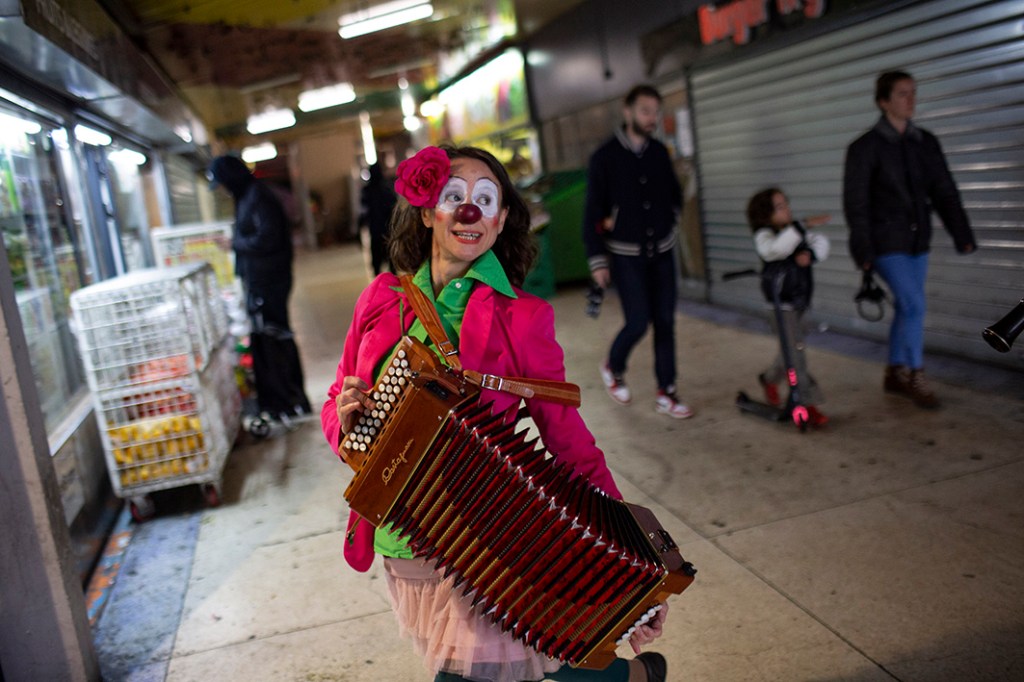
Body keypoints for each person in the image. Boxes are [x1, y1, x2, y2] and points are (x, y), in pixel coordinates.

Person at [321, 145, 669, 682]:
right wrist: (345, 419)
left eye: (486, 199)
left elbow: (569, 442)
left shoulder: (522, 318)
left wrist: (632, 553)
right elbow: (335, 403)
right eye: (453, 197)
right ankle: (626, 679)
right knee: (530, 666)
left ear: (502, 219)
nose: (470, 211)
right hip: (400, 541)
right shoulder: (380, 298)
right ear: (425, 209)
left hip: (487, 546)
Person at [843, 70, 976, 409]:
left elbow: (944, 190)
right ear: (883, 101)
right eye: (903, 94)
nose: (911, 100)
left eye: (913, 93)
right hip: (885, 241)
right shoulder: (865, 148)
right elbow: (856, 204)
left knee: (907, 307)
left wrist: (962, 233)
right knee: (915, 304)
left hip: (918, 240)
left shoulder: (925, 142)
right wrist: (863, 251)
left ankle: (894, 371)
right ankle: (916, 373)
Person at [582, 84, 692, 419]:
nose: (652, 118)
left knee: (665, 323)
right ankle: (613, 367)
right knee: (639, 322)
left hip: (662, 252)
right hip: (626, 255)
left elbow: (675, 195)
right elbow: (591, 213)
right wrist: (598, 260)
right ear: (627, 111)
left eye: (656, 111)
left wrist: (669, 221)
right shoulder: (605, 157)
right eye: (645, 111)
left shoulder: (659, 152)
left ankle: (667, 392)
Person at [208, 155, 311, 421]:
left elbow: (268, 237)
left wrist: (234, 244)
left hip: (269, 282)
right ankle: (282, 400)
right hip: (262, 281)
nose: (222, 189)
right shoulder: (249, 196)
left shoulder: (257, 197)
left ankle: (290, 400)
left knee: (275, 337)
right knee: (269, 338)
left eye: (222, 183)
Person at [746, 188, 831, 427]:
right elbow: (774, 250)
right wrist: (801, 227)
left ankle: (770, 379)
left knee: (790, 351)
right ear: (766, 214)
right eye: (780, 206)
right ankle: (805, 403)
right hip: (780, 305)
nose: (788, 209)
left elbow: (821, 242)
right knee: (797, 356)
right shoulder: (765, 235)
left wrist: (810, 253)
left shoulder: (795, 231)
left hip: (801, 302)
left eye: (786, 204)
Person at [358, 162, 398, 275]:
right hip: (388, 231)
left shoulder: (367, 191)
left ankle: (379, 287)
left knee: (377, 262)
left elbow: (363, 212)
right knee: (392, 263)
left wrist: (359, 229)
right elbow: (394, 210)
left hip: (375, 231)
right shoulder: (387, 189)